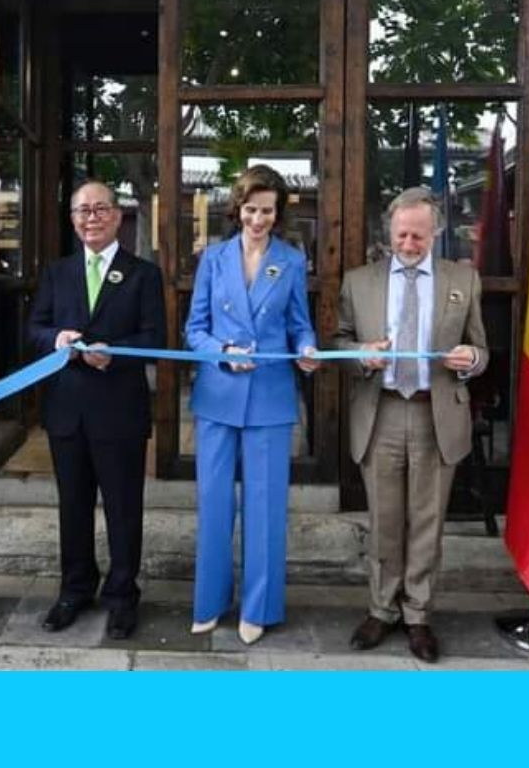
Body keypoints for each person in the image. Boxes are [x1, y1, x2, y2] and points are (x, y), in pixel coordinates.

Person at [333, 187, 488, 663]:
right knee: (383, 520)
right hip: (380, 410)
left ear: (435, 234)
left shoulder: (463, 278)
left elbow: (480, 349)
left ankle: (418, 615)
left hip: (434, 412)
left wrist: (471, 360)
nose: (408, 243)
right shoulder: (359, 281)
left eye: (418, 235)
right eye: (401, 234)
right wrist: (360, 356)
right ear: (389, 233)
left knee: (427, 521)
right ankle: (381, 609)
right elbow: (339, 342)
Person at [184, 165, 319, 645]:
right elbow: (193, 329)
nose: (258, 219)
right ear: (237, 209)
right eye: (251, 209)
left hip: (270, 396)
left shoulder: (291, 260)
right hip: (218, 395)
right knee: (214, 504)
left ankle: (259, 608)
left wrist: (306, 349)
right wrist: (221, 353)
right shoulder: (214, 259)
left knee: (264, 508)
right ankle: (210, 602)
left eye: (267, 210)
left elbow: (300, 324)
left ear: (278, 212)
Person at [26, 180, 165, 640]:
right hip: (67, 411)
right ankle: (75, 589)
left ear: (118, 216)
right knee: (73, 507)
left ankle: (123, 595)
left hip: (119, 411)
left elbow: (155, 341)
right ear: (72, 219)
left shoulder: (143, 273)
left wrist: (116, 351)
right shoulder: (57, 272)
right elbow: (35, 329)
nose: (92, 218)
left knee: (124, 508)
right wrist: (56, 339)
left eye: (101, 209)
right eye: (83, 210)